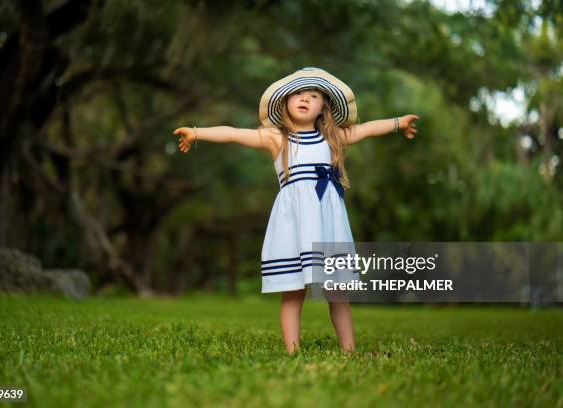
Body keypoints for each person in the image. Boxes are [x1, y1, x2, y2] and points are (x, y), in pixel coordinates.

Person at [173, 67, 419, 354]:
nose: (305, 99)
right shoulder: (277, 139)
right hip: (294, 222)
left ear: (322, 107)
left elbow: (366, 129)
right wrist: (196, 132)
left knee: (337, 292)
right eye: (299, 94)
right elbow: (234, 133)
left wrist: (398, 122)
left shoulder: (333, 137)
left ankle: (349, 350)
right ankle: (292, 351)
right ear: (286, 103)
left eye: (313, 96)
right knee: (293, 291)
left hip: (328, 220)